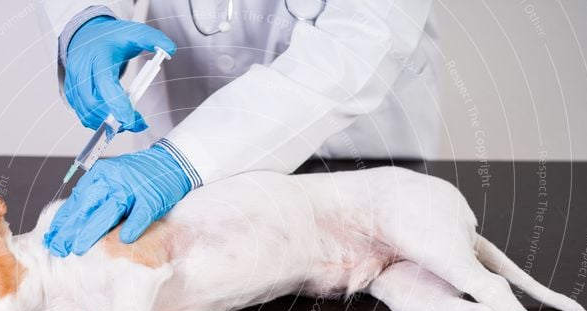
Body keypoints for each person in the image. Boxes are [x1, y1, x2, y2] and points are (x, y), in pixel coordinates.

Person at [40, 0, 441, 257]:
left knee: (379, 273)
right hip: (177, 123)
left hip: (352, 153)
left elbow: (361, 40)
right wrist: (85, 20)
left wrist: (182, 161)